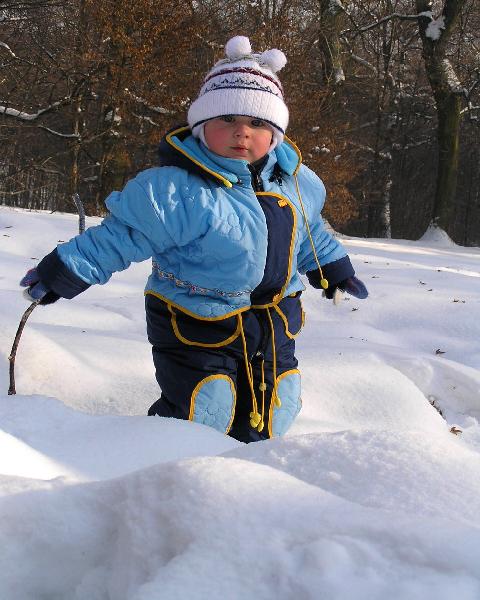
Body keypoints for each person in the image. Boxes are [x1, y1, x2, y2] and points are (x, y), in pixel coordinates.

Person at [20, 36, 368, 443]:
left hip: (272, 322)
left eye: (257, 123)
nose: (242, 132)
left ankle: (249, 470)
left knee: (277, 404)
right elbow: (120, 236)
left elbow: (310, 237)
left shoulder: (295, 184)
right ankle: (165, 463)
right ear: (202, 127)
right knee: (204, 407)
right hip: (195, 321)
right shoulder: (177, 191)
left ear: (274, 133)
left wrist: (334, 269)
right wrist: (63, 272)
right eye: (227, 121)